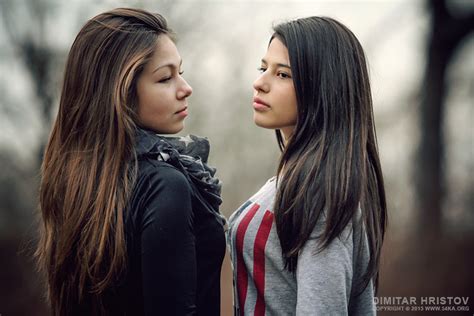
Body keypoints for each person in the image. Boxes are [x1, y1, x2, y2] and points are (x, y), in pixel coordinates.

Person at [35, 8, 226, 315]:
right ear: (121, 93)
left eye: (181, 72)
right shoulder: (163, 184)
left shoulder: (74, 183)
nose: (185, 88)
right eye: (165, 78)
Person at [228, 16, 387, 315]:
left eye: (283, 75)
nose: (259, 83)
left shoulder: (321, 194)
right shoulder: (301, 180)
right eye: (264, 68)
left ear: (323, 87)